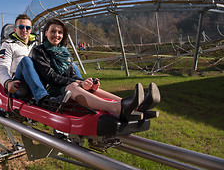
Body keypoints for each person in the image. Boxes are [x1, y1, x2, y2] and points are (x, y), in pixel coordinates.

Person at [31, 18, 160, 121]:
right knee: (74, 87)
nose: (56, 35)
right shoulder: (39, 50)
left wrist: (87, 82)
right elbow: (50, 76)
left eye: (60, 32)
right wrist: (77, 83)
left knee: (93, 89)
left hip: (66, 85)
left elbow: (72, 74)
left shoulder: (65, 53)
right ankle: (117, 108)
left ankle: (137, 106)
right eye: (53, 31)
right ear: (46, 32)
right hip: (52, 90)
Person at [0, 14, 72, 108]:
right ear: (15, 29)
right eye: (21, 27)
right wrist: (8, 82)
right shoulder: (8, 45)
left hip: (40, 81)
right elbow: (1, 67)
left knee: (69, 63)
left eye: (27, 27)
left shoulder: (37, 45)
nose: (24, 30)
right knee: (26, 60)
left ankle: (81, 89)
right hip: (20, 85)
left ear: (31, 30)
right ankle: (44, 99)